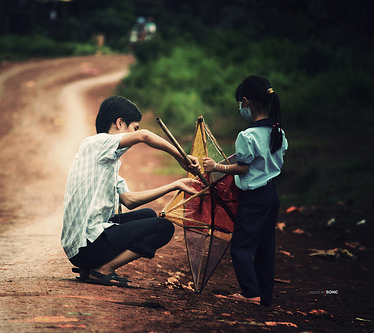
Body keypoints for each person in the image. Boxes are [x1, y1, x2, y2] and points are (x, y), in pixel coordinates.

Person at [62, 96, 202, 287]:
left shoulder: (106, 161)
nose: (135, 132)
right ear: (120, 123)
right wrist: (181, 157)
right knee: (164, 227)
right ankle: (103, 269)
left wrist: (174, 185)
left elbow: (129, 200)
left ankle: (90, 268)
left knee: (148, 215)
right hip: (86, 246)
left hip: (83, 248)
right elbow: (145, 136)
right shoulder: (96, 143)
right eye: (134, 127)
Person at [203, 76, 288, 306]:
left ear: (245, 101)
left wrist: (216, 167)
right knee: (265, 247)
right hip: (271, 194)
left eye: (241, 104)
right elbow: (271, 161)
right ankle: (264, 296)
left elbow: (243, 167)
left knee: (241, 247)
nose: (241, 108)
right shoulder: (277, 131)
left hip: (254, 198)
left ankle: (250, 293)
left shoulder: (247, 136)